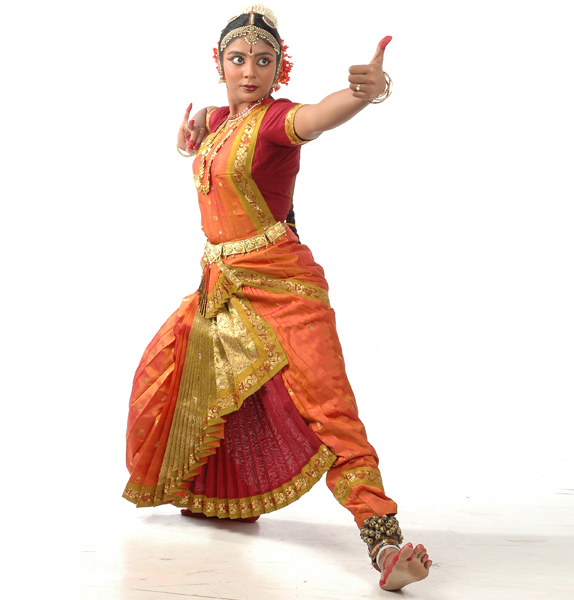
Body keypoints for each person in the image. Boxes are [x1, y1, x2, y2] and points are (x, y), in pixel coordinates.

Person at [122, 4, 432, 591]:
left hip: (284, 288)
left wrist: (362, 94)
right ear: (219, 63)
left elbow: (317, 117)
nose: (250, 71)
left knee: (330, 409)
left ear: (279, 68)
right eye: (238, 59)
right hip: (221, 287)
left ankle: (384, 542)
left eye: (263, 61)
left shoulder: (276, 122)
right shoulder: (220, 119)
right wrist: (191, 132)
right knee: (169, 373)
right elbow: (207, 126)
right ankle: (221, 499)